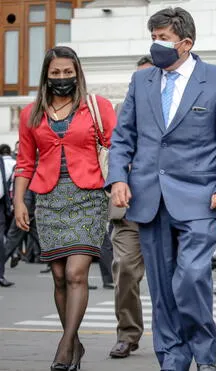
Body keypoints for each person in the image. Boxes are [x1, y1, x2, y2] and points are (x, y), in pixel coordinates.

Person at [107, 7, 216, 371]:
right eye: (153, 37)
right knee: (161, 286)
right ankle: (172, 356)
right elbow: (123, 137)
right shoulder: (142, 81)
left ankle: (204, 355)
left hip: (200, 197)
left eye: (163, 38)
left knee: (190, 277)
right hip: (149, 198)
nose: (156, 45)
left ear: (185, 43)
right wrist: (119, 177)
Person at [14, 45, 115, 371]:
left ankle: (64, 346)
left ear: (77, 73)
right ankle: (75, 342)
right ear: (46, 76)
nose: (62, 78)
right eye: (55, 73)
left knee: (75, 273)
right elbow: (25, 162)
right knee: (58, 277)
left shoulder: (97, 107)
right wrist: (18, 201)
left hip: (89, 197)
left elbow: (118, 146)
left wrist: (122, 185)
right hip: (49, 199)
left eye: (67, 72)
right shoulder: (31, 113)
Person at [108, 54, 153, 360]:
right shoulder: (123, 111)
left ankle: (176, 331)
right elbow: (116, 150)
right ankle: (128, 333)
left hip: (169, 206)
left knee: (177, 275)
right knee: (124, 269)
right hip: (129, 209)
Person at [0, 143, 16, 287]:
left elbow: (5, 185)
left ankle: (1, 274)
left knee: (2, 240)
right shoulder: (12, 163)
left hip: (2, 206)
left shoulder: (2, 161)